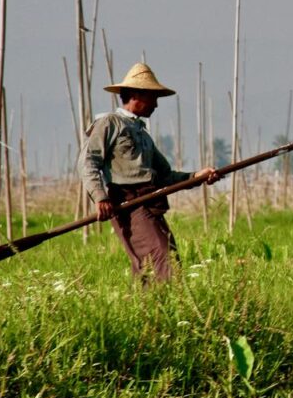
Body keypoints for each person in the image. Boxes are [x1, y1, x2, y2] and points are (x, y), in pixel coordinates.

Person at [78, 62, 219, 284]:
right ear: (136, 94)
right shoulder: (109, 123)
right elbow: (88, 162)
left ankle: (152, 313)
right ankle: (169, 309)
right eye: (153, 97)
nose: (156, 105)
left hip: (149, 201)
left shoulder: (142, 134)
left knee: (164, 259)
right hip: (127, 204)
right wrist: (100, 197)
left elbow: (164, 176)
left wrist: (196, 177)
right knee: (162, 260)